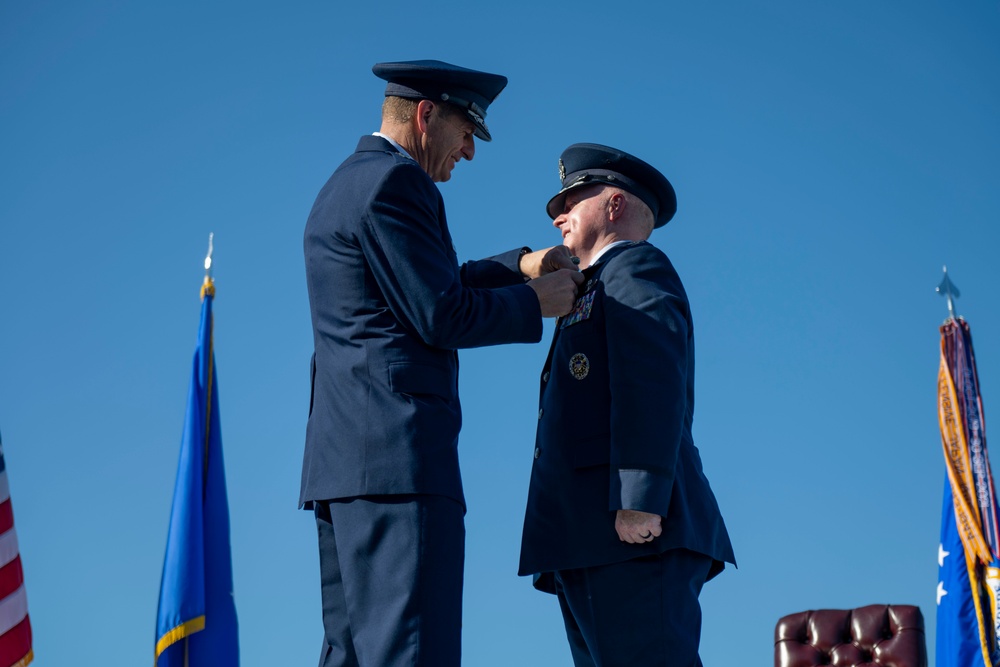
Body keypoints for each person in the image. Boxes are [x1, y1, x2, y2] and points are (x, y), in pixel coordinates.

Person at [300, 60, 583, 667]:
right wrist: (534, 304)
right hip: (400, 469)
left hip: (346, 473)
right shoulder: (396, 184)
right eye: (466, 133)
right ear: (426, 116)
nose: (469, 154)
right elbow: (439, 312)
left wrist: (521, 264)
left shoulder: (346, 184)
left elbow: (420, 286)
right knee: (413, 654)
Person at [518, 143, 736, 667]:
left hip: (633, 530)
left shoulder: (636, 268)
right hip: (587, 534)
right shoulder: (589, 287)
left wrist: (639, 495)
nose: (558, 219)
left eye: (571, 201)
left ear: (614, 205)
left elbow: (653, 382)